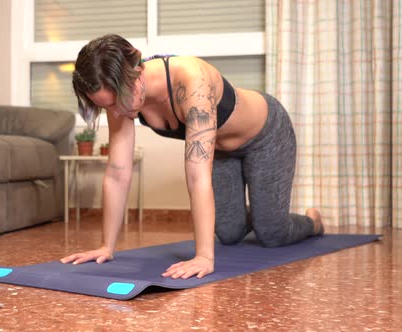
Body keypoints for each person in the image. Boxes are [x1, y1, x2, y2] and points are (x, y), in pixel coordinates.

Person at [60, 34, 324, 279]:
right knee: (229, 233)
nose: (115, 109)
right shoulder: (118, 99)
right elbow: (118, 173)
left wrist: (204, 257)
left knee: (272, 234)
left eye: (118, 99)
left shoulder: (191, 79)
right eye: (106, 105)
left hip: (266, 135)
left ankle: (312, 222)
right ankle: (263, 209)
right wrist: (107, 246)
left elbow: (198, 176)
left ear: (137, 69)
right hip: (221, 150)